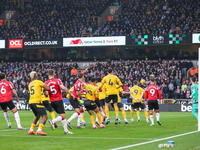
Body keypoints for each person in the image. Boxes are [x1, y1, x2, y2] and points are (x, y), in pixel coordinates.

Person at [46, 69, 73, 134]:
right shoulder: (57, 80)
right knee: (63, 116)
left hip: (52, 101)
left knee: (62, 115)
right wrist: (70, 93)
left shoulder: (46, 83)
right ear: (54, 74)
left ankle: (66, 131)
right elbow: (63, 88)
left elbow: (46, 94)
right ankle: (53, 121)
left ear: (48, 74)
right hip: (58, 100)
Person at [28, 71, 49, 135]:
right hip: (37, 101)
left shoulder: (30, 84)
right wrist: (44, 89)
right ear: (36, 76)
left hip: (31, 102)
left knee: (37, 116)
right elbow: (47, 88)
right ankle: (39, 130)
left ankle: (31, 130)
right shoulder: (39, 82)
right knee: (45, 116)